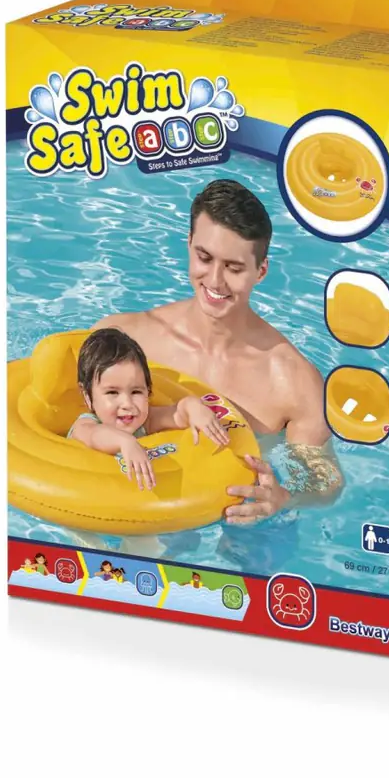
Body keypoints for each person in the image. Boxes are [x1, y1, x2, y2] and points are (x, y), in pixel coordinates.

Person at [94, 179, 344, 524]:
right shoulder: (128, 339)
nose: (214, 280)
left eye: (234, 267)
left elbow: (326, 481)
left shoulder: (292, 382)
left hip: (237, 521)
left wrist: (284, 498)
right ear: (189, 244)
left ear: (261, 271)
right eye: (204, 257)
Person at [67, 327, 229, 491]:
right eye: (112, 392)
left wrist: (193, 407)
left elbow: (176, 414)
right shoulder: (86, 425)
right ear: (87, 397)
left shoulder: (144, 421)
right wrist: (124, 442)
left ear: (148, 391)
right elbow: (94, 435)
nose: (127, 404)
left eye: (136, 392)